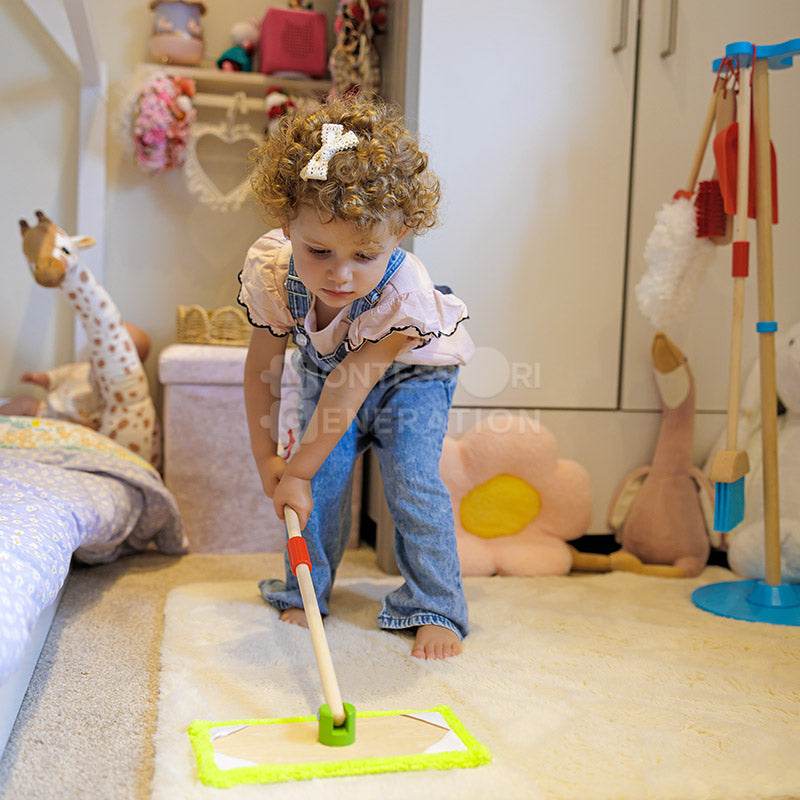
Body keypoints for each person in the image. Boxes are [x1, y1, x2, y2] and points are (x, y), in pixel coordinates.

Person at [238, 93, 474, 659]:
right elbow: (263, 370)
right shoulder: (272, 274)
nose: (340, 276)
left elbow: (353, 382)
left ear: (403, 231)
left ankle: (438, 605)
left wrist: (297, 465)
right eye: (318, 250)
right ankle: (307, 590)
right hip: (330, 376)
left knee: (412, 483)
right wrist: (272, 460)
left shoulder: (404, 294)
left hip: (410, 380)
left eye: (365, 254)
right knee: (317, 484)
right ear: (284, 223)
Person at [0, 322, 151, 429]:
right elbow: (59, 376)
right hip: (44, 412)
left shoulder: (115, 394)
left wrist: (91, 427)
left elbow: (109, 419)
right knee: (24, 402)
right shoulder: (83, 369)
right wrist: (41, 378)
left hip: (69, 428)